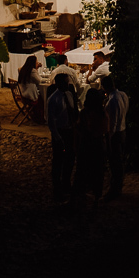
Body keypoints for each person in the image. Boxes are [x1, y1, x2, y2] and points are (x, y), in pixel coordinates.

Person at [46, 74, 78, 203]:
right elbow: (51, 120)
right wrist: (57, 137)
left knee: (70, 158)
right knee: (58, 159)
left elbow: (73, 110)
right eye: (66, 83)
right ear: (59, 84)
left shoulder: (69, 95)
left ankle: (66, 182)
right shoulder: (54, 99)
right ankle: (57, 185)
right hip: (60, 132)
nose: (68, 85)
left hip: (70, 130)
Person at [75, 86, 110, 204]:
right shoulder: (102, 112)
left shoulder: (85, 112)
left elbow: (81, 127)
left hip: (87, 143)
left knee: (83, 168)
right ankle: (97, 194)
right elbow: (106, 128)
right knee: (98, 170)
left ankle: (82, 193)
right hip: (99, 143)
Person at [101, 75, 128, 199]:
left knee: (115, 162)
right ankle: (117, 187)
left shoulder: (112, 100)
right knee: (119, 162)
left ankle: (115, 189)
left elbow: (112, 123)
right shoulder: (123, 95)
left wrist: (108, 139)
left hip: (115, 134)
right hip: (122, 131)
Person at [17, 54, 44, 124]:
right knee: (43, 97)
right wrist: (36, 69)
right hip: (30, 95)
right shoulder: (32, 71)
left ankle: (35, 114)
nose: (37, 63)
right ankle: (40, 117)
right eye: (36, 62)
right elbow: (39, 81)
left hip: (23, 94)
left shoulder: (23, 69)